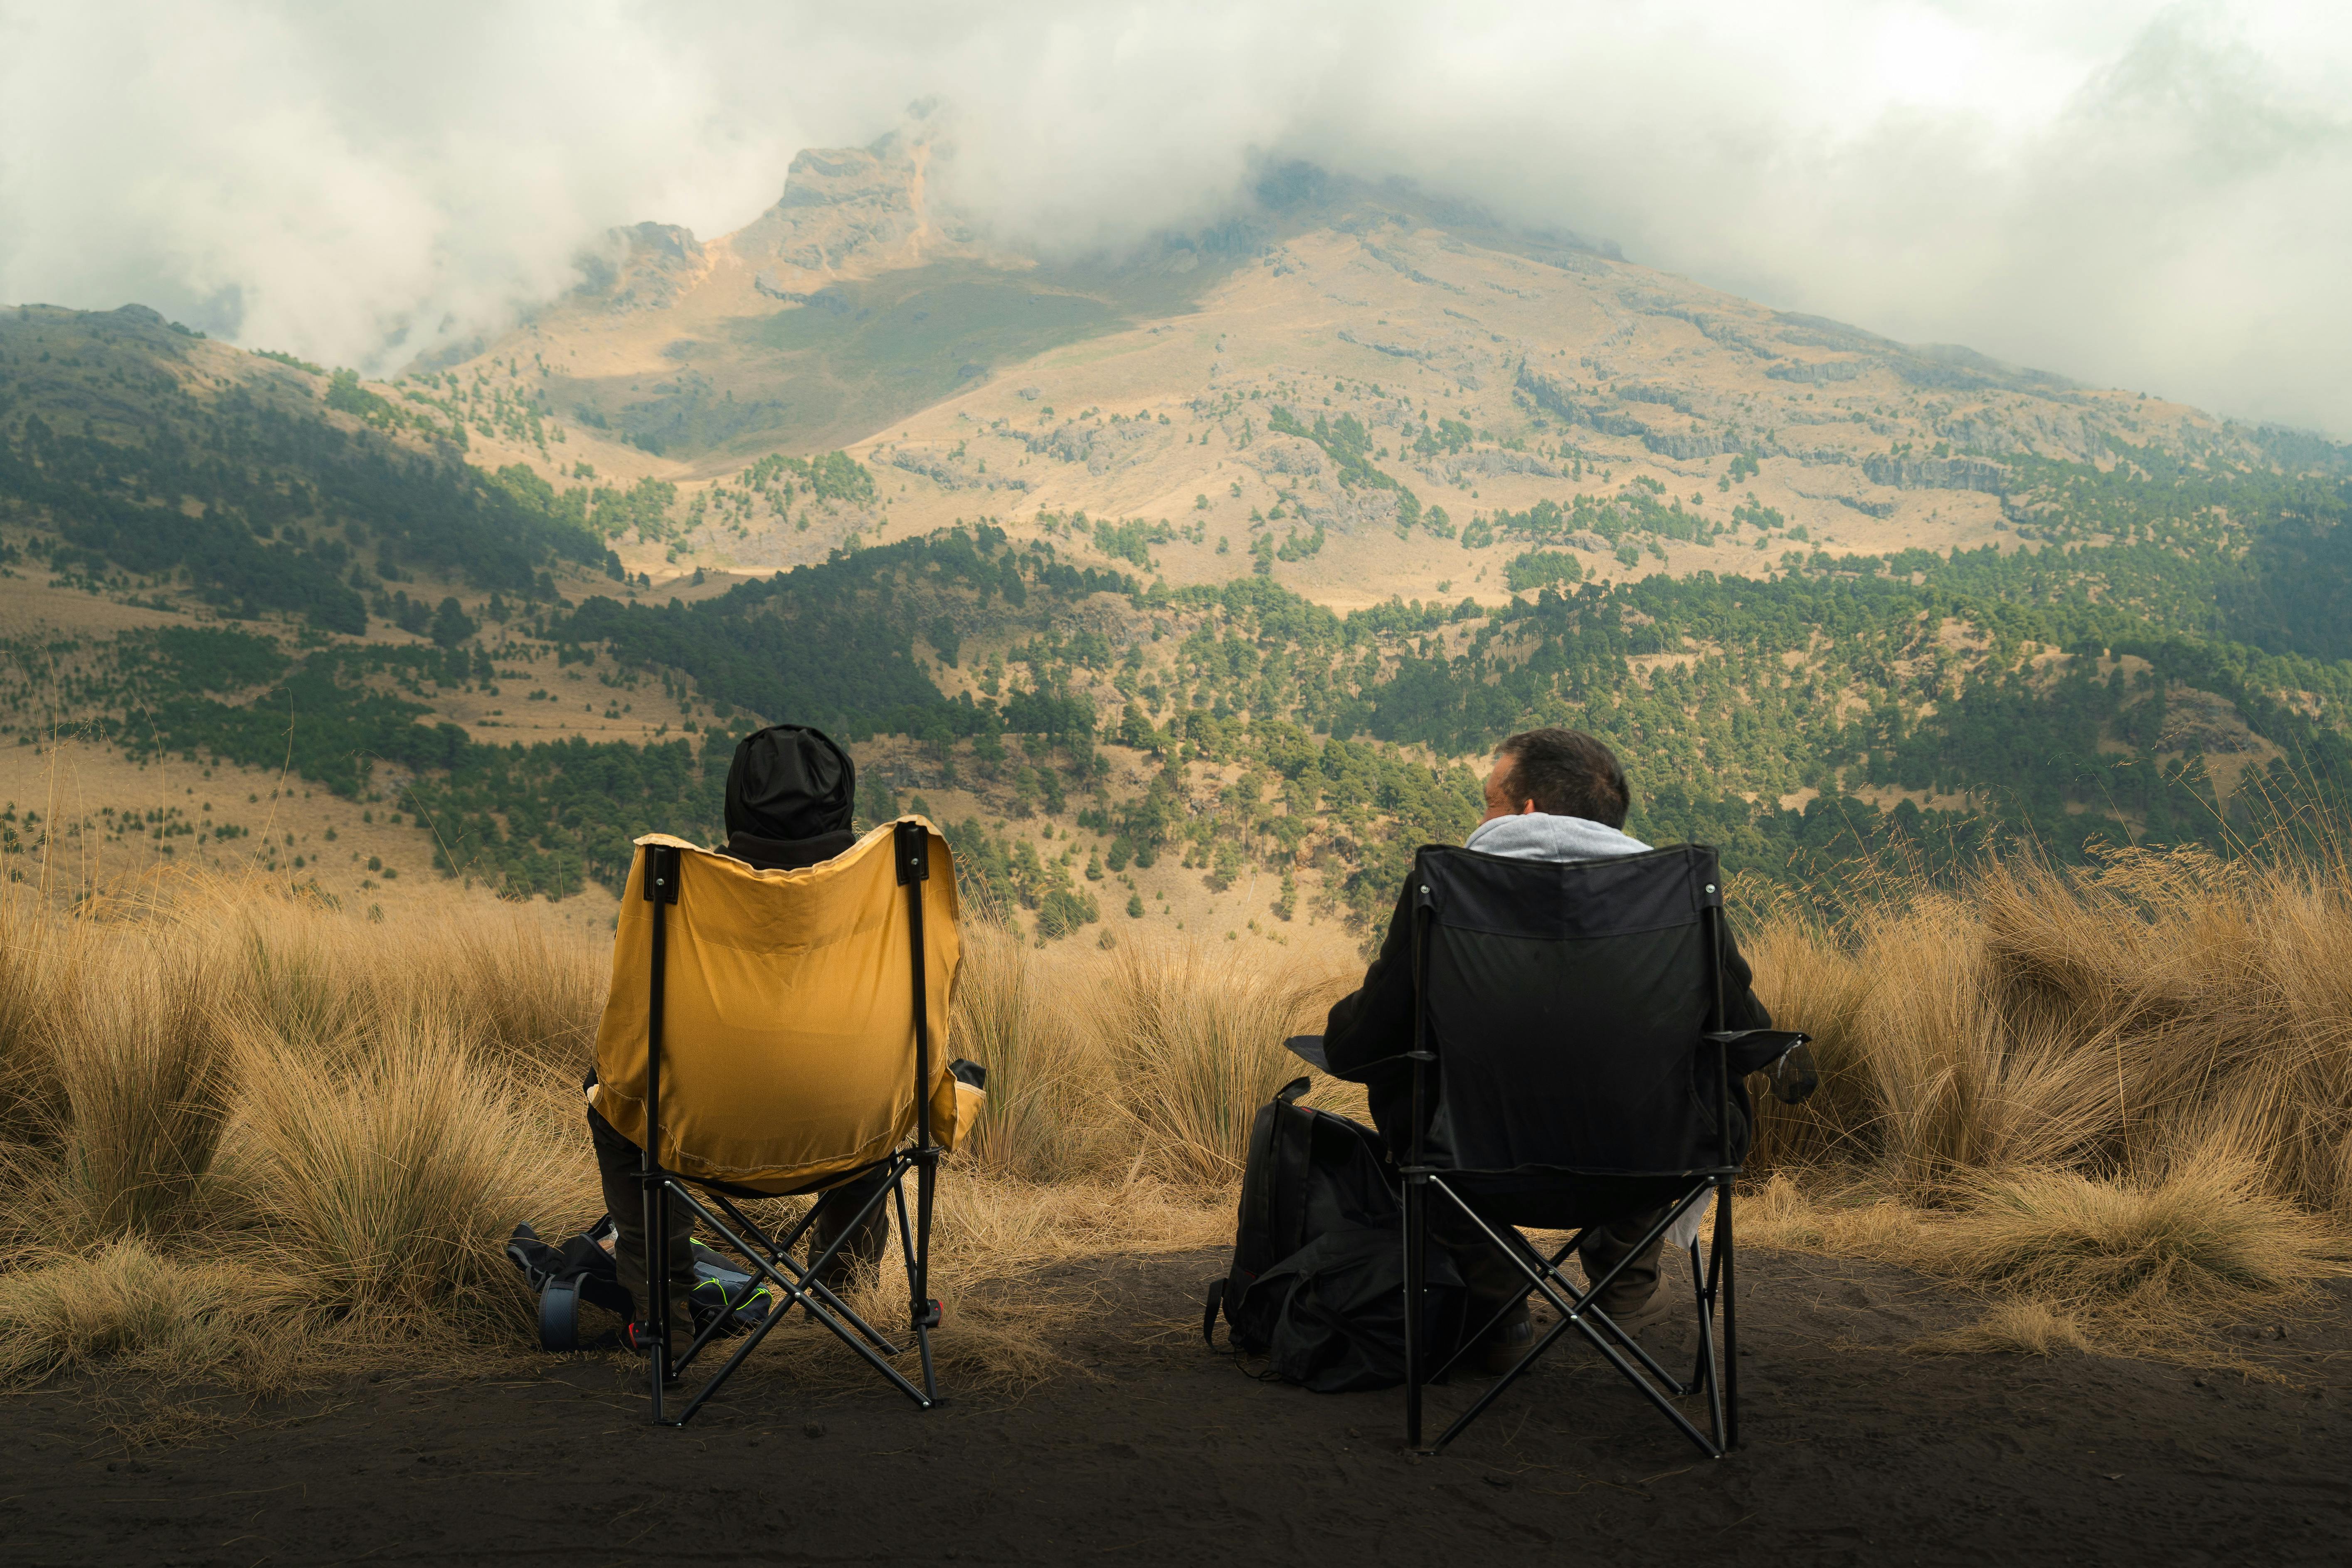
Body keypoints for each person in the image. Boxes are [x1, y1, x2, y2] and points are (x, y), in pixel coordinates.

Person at [1319, 727, 1773, 1371]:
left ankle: (1495, 1294)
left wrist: (1347, 1035)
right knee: (1701, 1078)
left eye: (1489, 802)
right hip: (1651, 1165)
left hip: (1475, 1165)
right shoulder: (1679, 895)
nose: (1482, 820)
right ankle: (1624, 1274)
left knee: (1402, 1082)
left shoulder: (1445, 889)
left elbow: (1364, 1042)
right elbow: (1748, 1032)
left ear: (1525, 811)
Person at [584, 722, 895, 1347]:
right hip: (849, 1132)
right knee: (881, 1095)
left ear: (735, 801)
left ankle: (664, 1318)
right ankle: (841, 1303)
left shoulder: (682, 887)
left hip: (699, 1135)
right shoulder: (887, 892)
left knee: (611, 1101)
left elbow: (629, 1034)